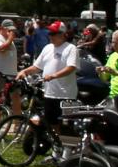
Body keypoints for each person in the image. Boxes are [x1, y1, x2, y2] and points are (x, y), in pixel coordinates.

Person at [30, 18, 80, 149]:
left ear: (62, 34)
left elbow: (71, 67)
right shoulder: (47, 48)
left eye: (53, 34)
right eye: (49, 33)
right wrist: (24, 72)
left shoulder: (71, 48)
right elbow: (37, 67)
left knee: (67, 126)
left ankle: (71, 153)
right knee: (52, 124)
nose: (50, 36)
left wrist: (53, 76)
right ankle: (58, 149)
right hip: (50, 94)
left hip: (67, 95)